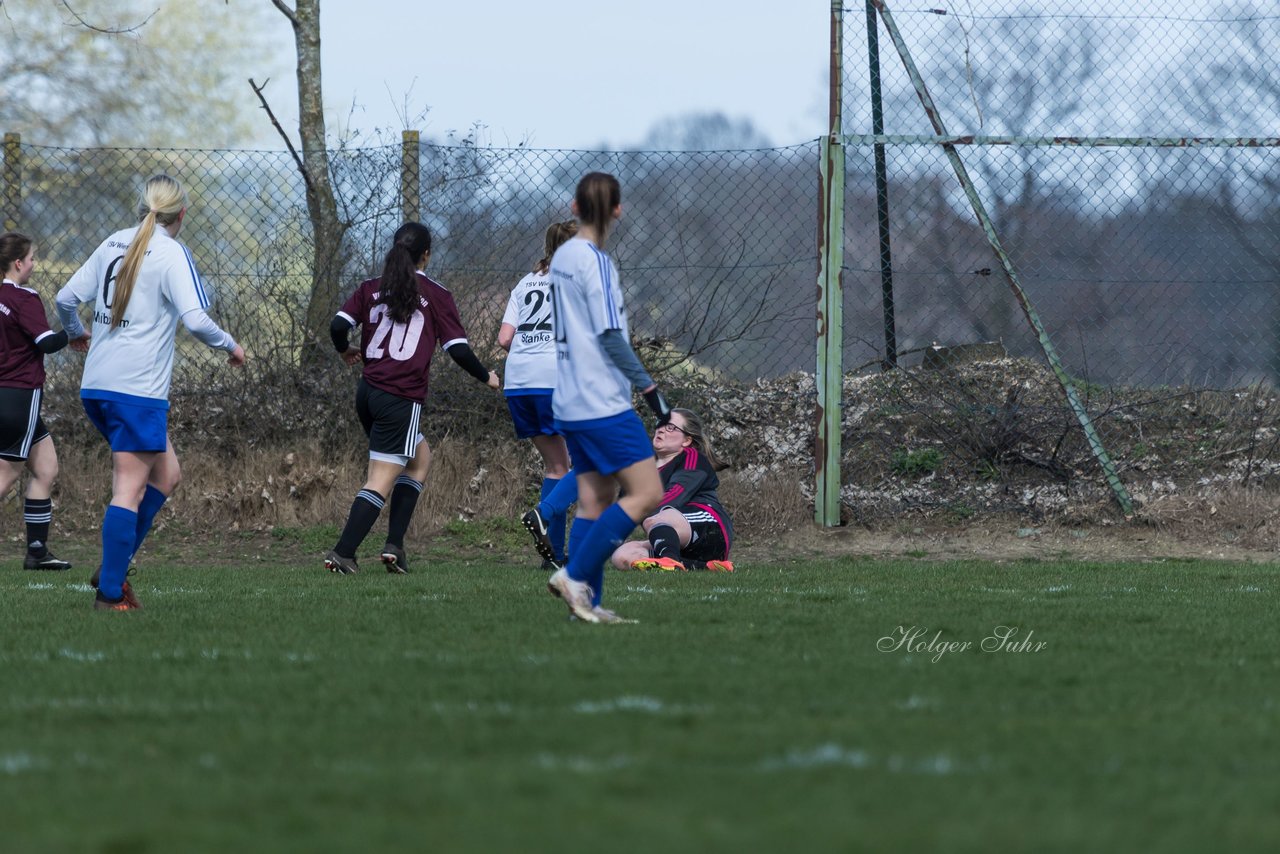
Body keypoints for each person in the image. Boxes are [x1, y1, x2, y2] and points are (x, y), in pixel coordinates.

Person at [56, 174, 246, 611]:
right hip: (135, 391)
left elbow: (66, 299)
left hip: (98, 386)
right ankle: (109, 593)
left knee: (166, 475)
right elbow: (196, 320)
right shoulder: (171, 251)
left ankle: (112, 566)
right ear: (181, 214)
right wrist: (231, 346)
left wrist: (75, 334)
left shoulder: (112, 242)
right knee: (129, 486)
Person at [326, 221, 500, 575]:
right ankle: (343, 554)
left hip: (369, 394)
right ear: (426, 255)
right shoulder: (436, 294)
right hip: (400, 398)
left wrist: (345, 350)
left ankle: (395, 547)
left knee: (419, 459)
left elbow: (337, 326)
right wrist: (488, 377)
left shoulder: (370, 288)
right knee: (380, 478)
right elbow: (459, 350)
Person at [542, 171, 671, 624]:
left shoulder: (560, 258)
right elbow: (611, 337)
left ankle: (587, 605)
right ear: (618, 210)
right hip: (601, 401)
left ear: (575, 208)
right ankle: (574, 575)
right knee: (647, 493)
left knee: (595, 498)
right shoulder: (595, 262)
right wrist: (650, 388)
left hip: (569, 400)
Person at [497, 219, 580, 571]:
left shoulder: (524, 283)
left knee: (558, 466)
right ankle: (544, 513)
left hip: (518, 381)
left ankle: (553, 556)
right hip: (555, 378)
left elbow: (504, 338)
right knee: (594, 461)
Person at [0, 232, 73, 571]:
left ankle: (37, 551)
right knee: (7, 474)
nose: (33, 264)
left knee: (45, 468)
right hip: (19, 396)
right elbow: (46, 343)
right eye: (31, 258)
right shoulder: (24, 298)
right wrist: (75, 333)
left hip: (7, 396)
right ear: (18, 263)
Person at [610, 408, 734, 573]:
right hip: (673, 538)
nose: (661, 429)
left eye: (670, 427)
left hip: (711, 531)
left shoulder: (692, 458)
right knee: (623, 555)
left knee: (657, 518)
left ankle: (669, 560)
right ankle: (705, 567)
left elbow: (672, 498)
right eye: (660, 424)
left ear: (686, 440)